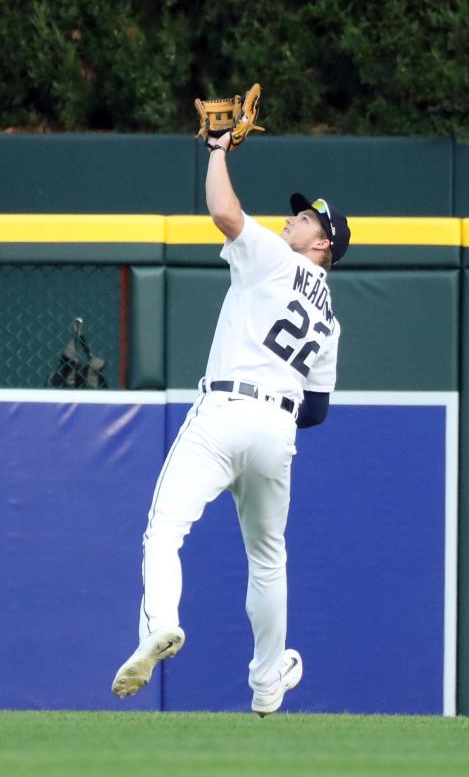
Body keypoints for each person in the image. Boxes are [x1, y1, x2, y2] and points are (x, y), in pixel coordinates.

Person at [111, 129, 350, 715]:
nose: (294, 220)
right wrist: (274, 418)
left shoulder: (273, 255)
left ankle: (159, 626)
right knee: (269, 560)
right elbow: (315, 410)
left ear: (323, 247)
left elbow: (222, 209)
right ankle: (268, 685)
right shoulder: (331, 320)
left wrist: (217, 150)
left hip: (224, 410)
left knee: (165, 529)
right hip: (278, 430)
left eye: (308, 220)